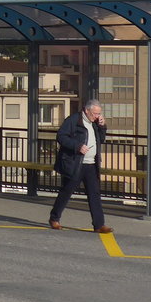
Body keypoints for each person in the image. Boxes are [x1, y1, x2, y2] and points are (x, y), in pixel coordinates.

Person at [48, 98, 113, 233]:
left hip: (91, 164)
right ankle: (54, 218)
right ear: (87, 110)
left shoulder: (95, 123)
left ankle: (99, 224)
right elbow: (61, 136)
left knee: (94, 194)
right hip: (76, 163)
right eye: (95, 114)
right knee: (66, 191)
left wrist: (102, 126)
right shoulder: (73, 120)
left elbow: (101, 139)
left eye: (99, 114)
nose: (97, 116)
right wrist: (77, 146)